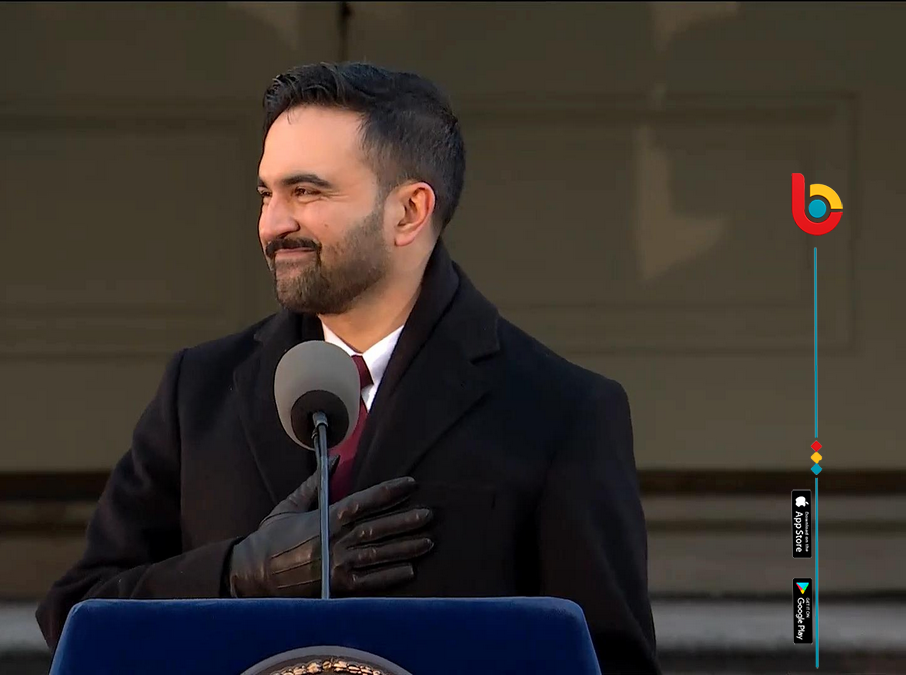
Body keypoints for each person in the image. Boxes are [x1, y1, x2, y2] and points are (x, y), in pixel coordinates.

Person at [37, 61, 660, 674]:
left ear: (409, 212)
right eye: (266, 194)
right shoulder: (197, 390)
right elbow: (77, 614)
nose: (273, 224)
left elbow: (610, 660)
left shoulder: (562, 410)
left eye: (306, 192)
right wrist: (237, 573)